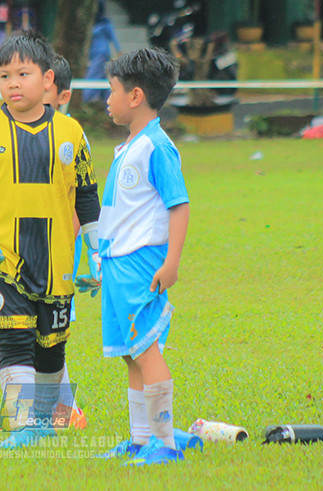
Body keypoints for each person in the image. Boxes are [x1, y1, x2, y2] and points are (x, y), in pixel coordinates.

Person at [0, 30, 101, 449]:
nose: (12, 83)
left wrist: (97, 251)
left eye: (23, 73)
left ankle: (52, 418)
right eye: (3, 76)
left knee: (52, 348)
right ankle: (22, 425)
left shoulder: (71, 132)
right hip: (3, 261)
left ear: (47, 79)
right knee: (14, 337)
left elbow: (87, 195)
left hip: (57, 264)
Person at [94, 47, 190, 466]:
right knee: (131, 354)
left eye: (111, 90)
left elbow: (179, 205)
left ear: (135, 97)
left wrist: (171, 263)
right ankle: (139, 440)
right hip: (117, 265)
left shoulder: (158, 147)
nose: (106, 99)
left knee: (148, 351)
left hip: (141, 265)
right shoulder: (128, 146)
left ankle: (165, 444)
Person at [43, 54, 91, 429]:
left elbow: (82, 197)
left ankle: (65, 408)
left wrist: (64, 236)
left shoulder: (71, 134)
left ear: (64, 96)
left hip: (58, 249)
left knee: (50, 330)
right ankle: (59, 406)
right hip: (25, 246)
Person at [84, 0, 121, 103]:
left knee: (92, 77)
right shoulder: (91, 23)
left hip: (102, 54)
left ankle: (86, 99)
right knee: (104, 79)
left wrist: (119, 52)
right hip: (93, 54)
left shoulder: (105, 23)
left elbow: (113, 38)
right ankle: (106, 102)